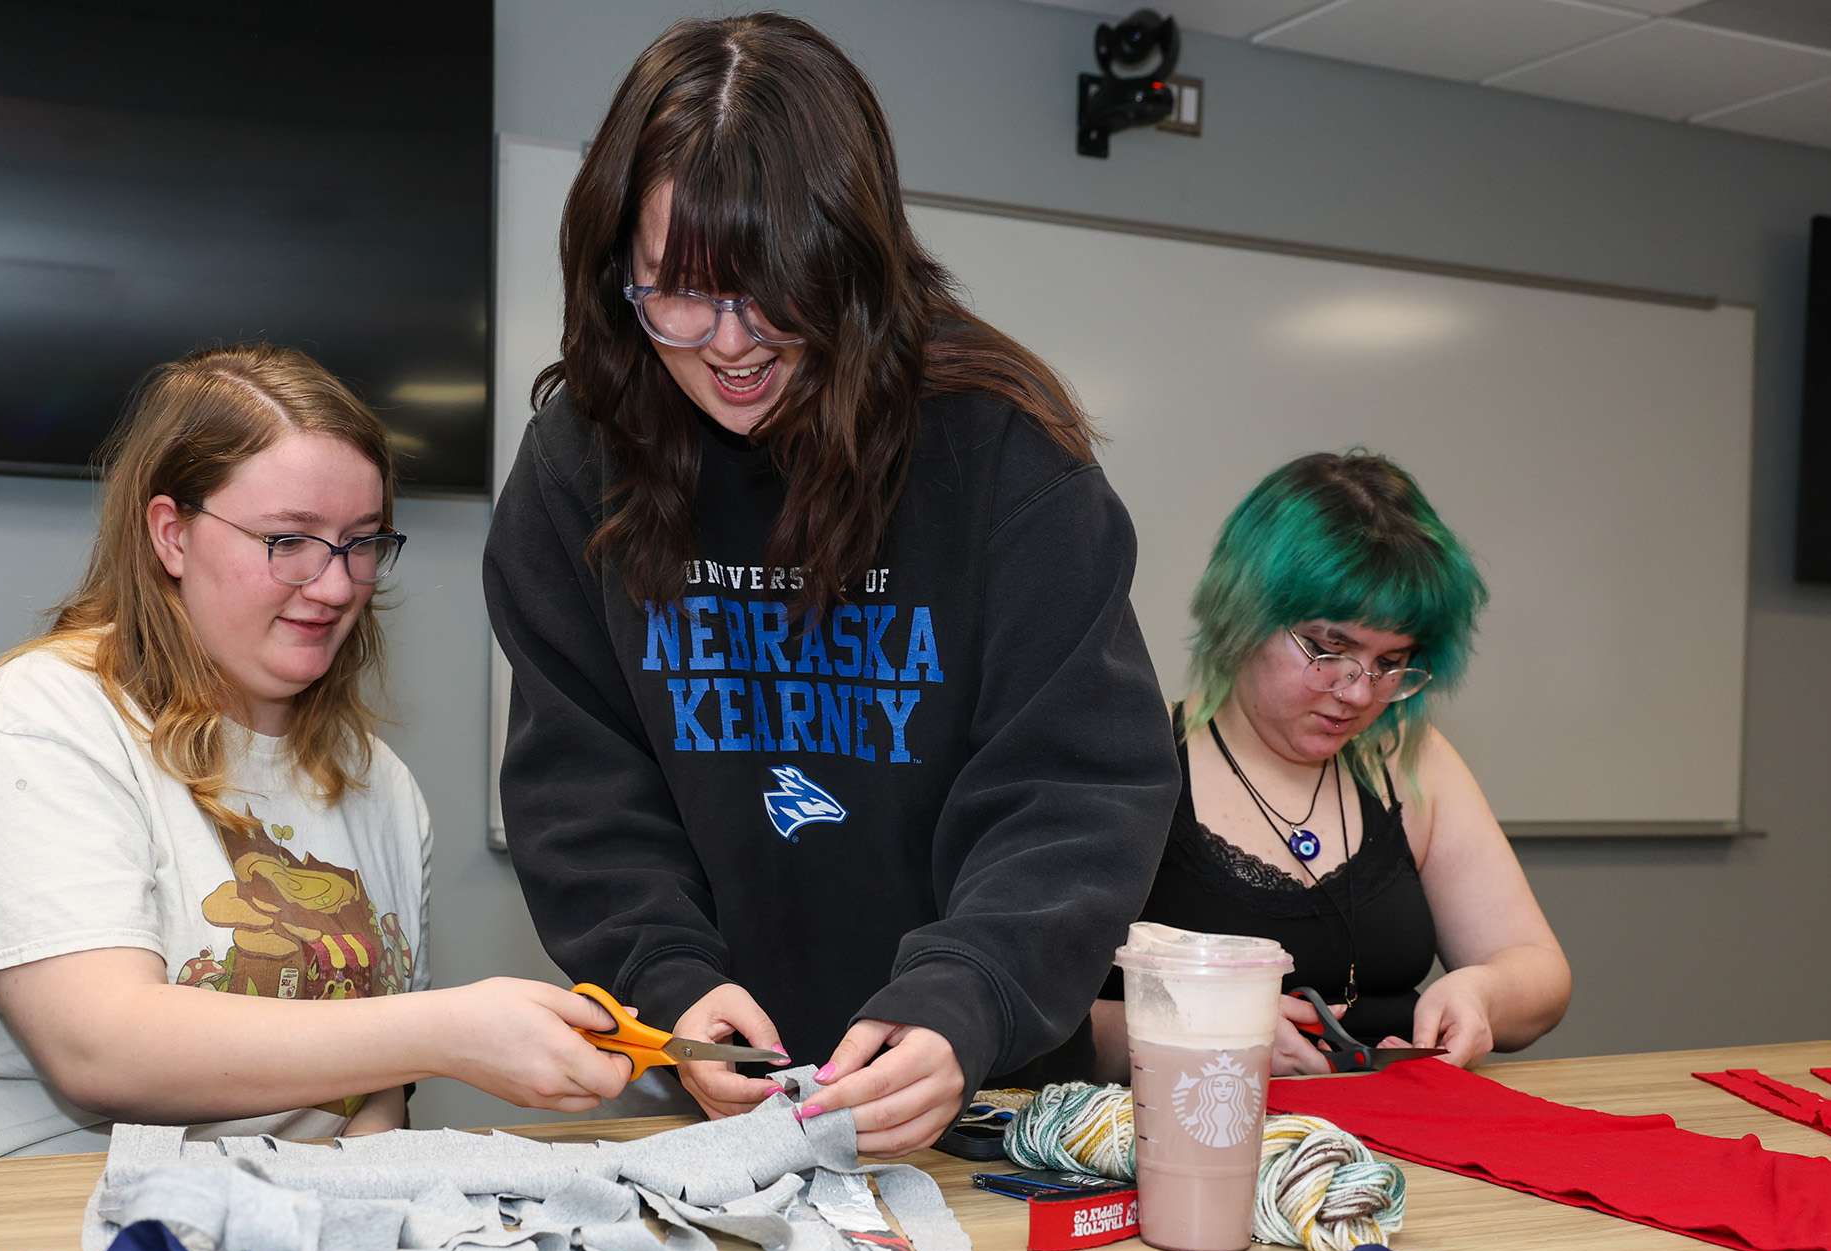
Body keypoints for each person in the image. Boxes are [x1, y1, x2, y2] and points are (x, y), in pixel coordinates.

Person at [484, 14, 1179, 1159]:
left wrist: (969, 992)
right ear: (618, 275)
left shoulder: (1000, 452)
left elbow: (1074, 788)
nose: (728, 345)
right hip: (717, 1091)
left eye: (771, 295)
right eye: (675, 296)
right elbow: (584, 783)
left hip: (978, 1091)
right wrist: (665, 980)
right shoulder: (579, 462)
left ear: (852, 265)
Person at [0, 345, 631, 1166]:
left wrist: (363, 1200)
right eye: (289, 540)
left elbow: (375, 1091)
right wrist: (448, 1033)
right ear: (171, 533)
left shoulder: (378, 781)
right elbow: (102, 1054)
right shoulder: (44, 718)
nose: (336, 584)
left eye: (360, 542)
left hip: (230, 1227)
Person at [1086, 452, 1572, 1080]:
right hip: (1194, 1133)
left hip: (1396, 1142)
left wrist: (1484, 994)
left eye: (1392, 661)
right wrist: (1198, 1033)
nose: (1359, 692)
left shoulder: (1407, 761)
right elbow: (1042, 1022)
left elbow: (1537, 969)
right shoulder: (1137, 757)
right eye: (1328, 648)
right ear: (1243, 615)